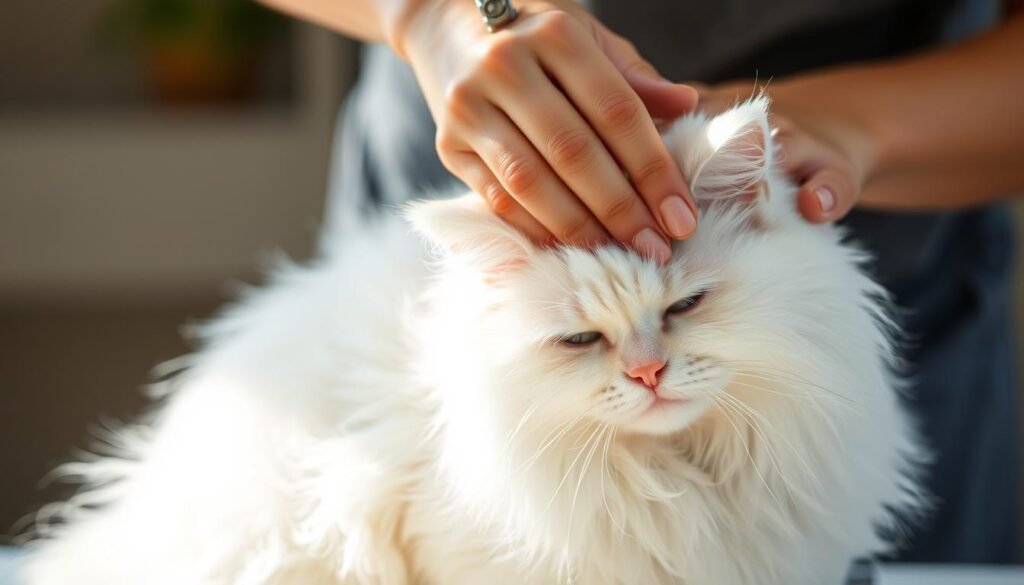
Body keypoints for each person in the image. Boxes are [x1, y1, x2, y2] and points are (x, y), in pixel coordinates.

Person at [260, 0, 1023, 562]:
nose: (645, 366)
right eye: (583, 337)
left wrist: (858, 126)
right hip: (472, 153)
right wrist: (428, 14)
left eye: (688, 304)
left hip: (895, 162)